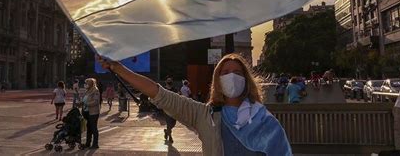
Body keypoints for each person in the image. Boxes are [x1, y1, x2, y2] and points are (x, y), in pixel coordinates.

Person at [98, 53, 292, 155]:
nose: (231, 76)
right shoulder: (205, 115)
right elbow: (159, 93)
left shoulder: (265, 120)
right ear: (217, 81)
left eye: (237, 73)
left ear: (246, 80)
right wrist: (119, 68)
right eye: (225, 73)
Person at [82, 78, 100, 149]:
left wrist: (87, 104)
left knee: (93, 128)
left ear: (91, 84)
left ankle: (95, 144)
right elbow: (85, 100)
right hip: (86, 112)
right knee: (89, 128)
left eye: (87, 83)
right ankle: (87, 143)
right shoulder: (87, 91)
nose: (85, 85)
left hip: (93, 112)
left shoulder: (96, 91)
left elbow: (96, 101)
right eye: (85, 83)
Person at [163, 76, 178, 143]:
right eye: (168, 80)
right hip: (166, 109)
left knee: (173, 123)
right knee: (169, 123)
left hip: (173, 108)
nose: (169, 82)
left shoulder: (174, 89)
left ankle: (167, 131)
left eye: (170, 81)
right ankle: (170, 137)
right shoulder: (164, 90)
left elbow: (178, 97)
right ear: (166, 82)